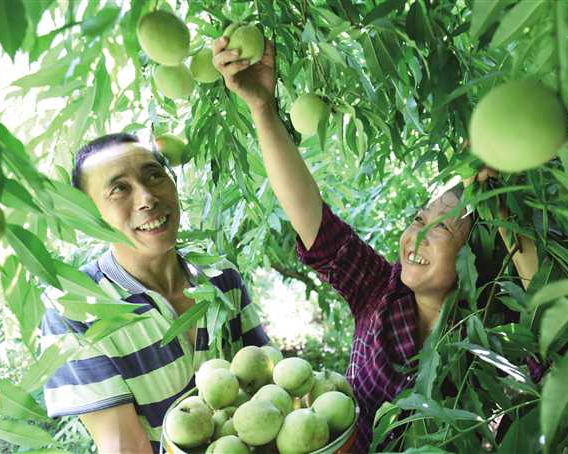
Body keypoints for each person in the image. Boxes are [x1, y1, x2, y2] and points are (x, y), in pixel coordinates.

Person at [212, 38, 541, 451]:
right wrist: (262, 108)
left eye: (440, 230)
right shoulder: (380, 292)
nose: (416, 235)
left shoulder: (501, 338)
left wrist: (503, 210)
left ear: (478, 258)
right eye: (419, 219)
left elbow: (564, 342)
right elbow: (311, 216)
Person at [40, 133, 270, 453]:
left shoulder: (220, 277)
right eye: (119, 188)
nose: (147, 198)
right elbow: (126, 448)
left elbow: (267, 385)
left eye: (154, 175)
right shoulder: (74, 312)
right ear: (89, 216)